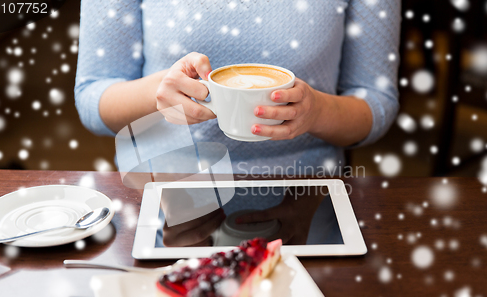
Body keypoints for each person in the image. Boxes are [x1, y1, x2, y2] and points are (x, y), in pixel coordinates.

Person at [75, 0, 401, 177]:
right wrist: (156, 92)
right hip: (163, 196)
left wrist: (318, 112)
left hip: (307, 194)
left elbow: (377, 100)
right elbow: (92, 100)